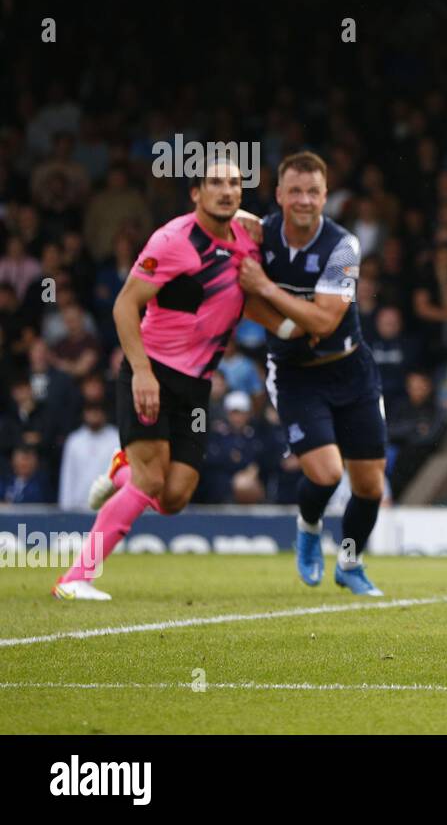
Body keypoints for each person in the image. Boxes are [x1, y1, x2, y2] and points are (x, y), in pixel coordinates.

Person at [52, 159, 275, 600]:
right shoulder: (172, 241)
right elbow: (123, 306)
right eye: (215, 183)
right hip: (152, 374)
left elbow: (280, 234)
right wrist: (140, 372)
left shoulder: (249, 236)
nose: (227, 191)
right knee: (151, 482)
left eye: (234, 183)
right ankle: (76, 577)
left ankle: (122, 472)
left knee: (174, 497)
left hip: (196, 388)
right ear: (195, 193)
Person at [236, 151, 390, 597]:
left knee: (369, 484)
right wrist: (285, 325)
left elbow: (324, 322)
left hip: (351, 368)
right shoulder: (256, 236)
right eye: (296, 191)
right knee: (325, 474)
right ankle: (307, 529)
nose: (304, 200)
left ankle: (349, 562)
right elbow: (238, 295)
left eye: (313, 191)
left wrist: (266, 288)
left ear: (326, 196)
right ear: (280, 194)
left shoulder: (344, 245)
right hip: (295, 373)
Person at [58, 401, 119, 511]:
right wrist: (65, 507)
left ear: (104, 414)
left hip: (109, 507)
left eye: (97, 411)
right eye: (90, 411)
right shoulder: (74, 440)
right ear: (84, 414)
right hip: (78, 507)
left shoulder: (116, 438)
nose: (94, 415)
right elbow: (68, 475)